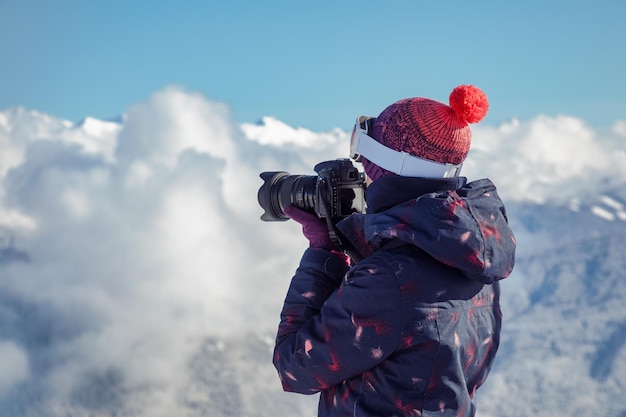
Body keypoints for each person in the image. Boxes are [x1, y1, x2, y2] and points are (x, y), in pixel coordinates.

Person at [273, 85, 516, 417]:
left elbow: (294, 367)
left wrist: (321, 254)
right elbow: (410, 325)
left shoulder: (390, 279)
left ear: (383, 166)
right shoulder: (473, 251)